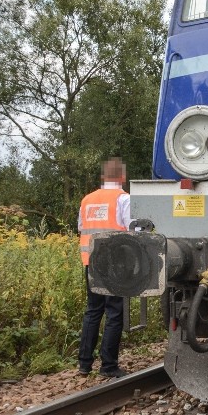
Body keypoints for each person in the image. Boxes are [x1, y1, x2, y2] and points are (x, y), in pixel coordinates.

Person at [77, 157, 132, 378]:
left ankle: (84, 364)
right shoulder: (123, 199)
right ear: (122, 177)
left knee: (93, 311)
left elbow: (81, 227)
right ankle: (108, 366)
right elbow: (133, 229)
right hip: (114, 265)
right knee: (114, 313)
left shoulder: (87, 199)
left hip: (90, 262)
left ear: (103, 176)